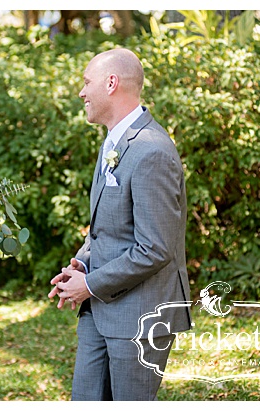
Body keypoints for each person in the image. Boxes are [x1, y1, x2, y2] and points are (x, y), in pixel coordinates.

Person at [49, 48, 191, 401]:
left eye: (86, 83)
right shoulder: (112, 142)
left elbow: (155, 247)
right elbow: (108, 226)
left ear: (111, 83)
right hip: (99, 313)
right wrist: (83, 261)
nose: (82, 93)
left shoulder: (152, 150)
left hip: (139, 316)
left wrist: (90, 285)